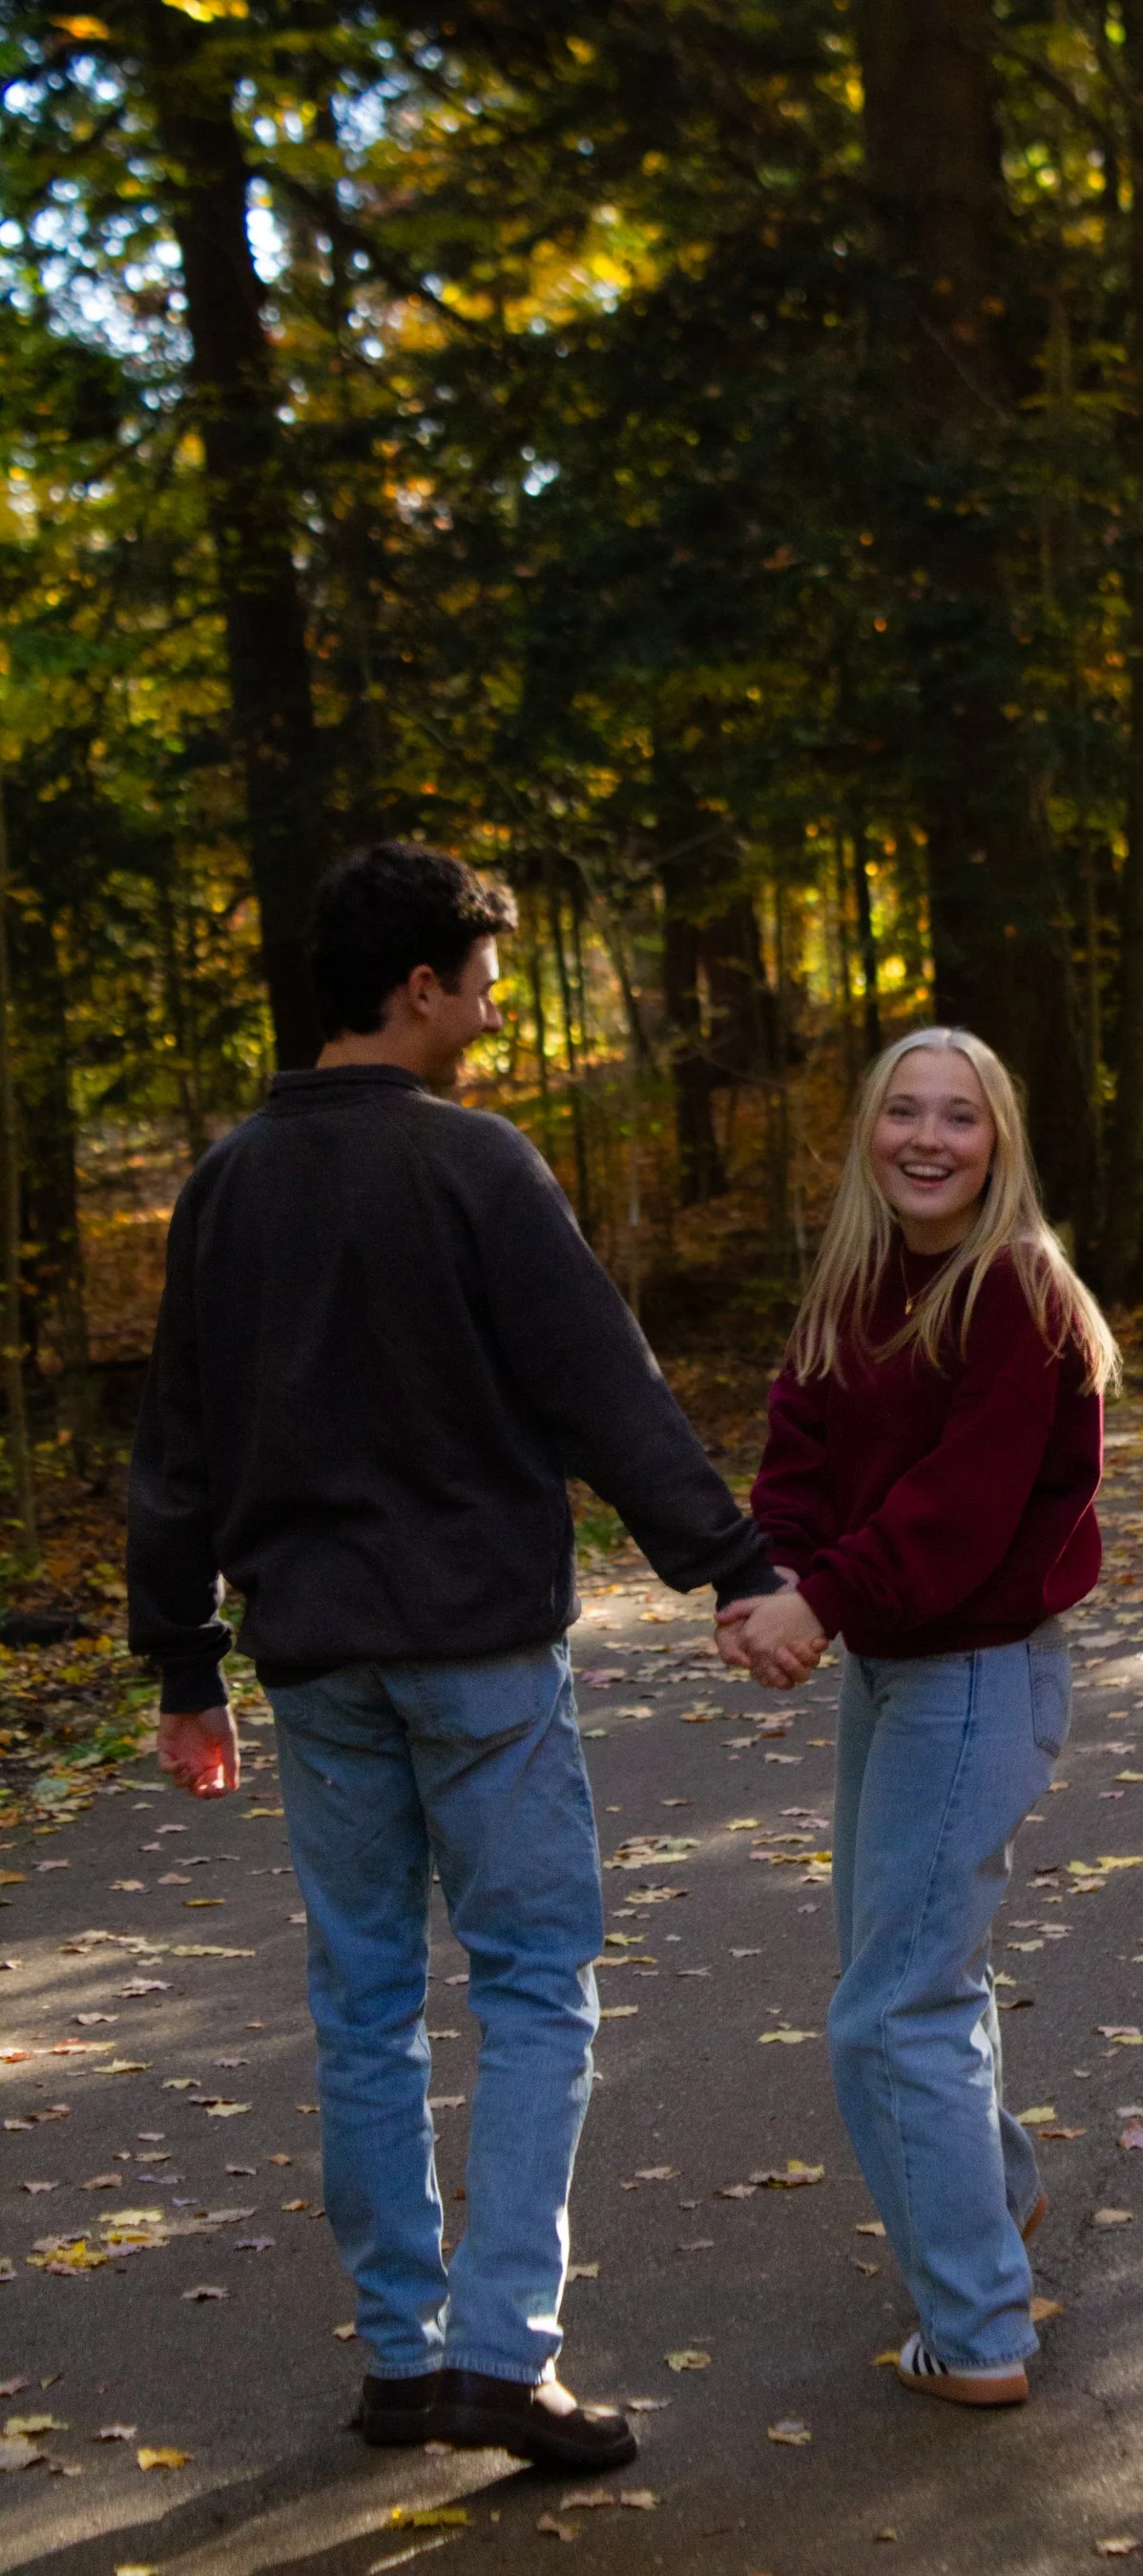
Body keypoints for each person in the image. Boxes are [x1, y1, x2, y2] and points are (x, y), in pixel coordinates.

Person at [127, 841, 784, 2474]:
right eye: (483, 982)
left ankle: (405, 2360)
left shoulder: (226, 1183)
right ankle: (504, 2358)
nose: (492, 1010)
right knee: (535, 1988)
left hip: (317, 1669)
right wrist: (735, 1567)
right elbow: (603, 1390)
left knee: (363, 2005)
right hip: (480, 1661)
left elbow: (176, 1456)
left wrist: (186, 1670)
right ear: (417, 988)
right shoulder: (476, 1167)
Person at [717, 1028, 1119, 2407]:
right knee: (909, 1974)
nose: (929, 1139)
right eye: (905, 1113)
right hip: (899, 1670)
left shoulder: (1018, 1291)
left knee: (889, 2011)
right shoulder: (859, 1276)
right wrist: (768, 1579)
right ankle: (993, 2200)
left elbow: (958, 1511)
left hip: (976, 1673)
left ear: (1000, 1140)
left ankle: (981, 2334)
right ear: (869, 1133)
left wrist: (817, 1606)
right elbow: (801, 1447)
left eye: (960, 1116)